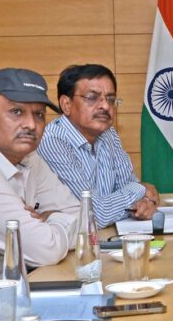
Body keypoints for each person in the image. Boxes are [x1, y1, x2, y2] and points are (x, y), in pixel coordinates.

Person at [0, 68, 80, 300]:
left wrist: (49, 220)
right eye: (16, 111)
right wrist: (53, 220)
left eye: (39, 114)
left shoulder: (29, 158)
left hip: (11, 298)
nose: (31, 125)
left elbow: (85, 219)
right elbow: (45, 249)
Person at [37, 64, 158, 228]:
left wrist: (142, 203)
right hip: (69, 241)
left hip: (105, 236)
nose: (106, 106)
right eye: (92, 97)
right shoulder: (52, 141)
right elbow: (95, 215)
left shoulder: (109, 134)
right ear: (66, 104)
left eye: (110, 99)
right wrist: (142, 188)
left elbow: (131, 192)